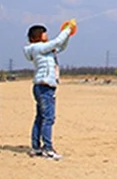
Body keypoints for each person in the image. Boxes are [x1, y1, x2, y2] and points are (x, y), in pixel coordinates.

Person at [23, 19, 77, 160]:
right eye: (45, 34)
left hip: (42, 87)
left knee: (41, 118)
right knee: (48, 118)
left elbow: (61, 46)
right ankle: (47, 148)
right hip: (44, 87)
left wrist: (69, 33)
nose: (47, 36)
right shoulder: (38, 48)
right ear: (38, 36)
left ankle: (36, 148)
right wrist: (67, 28)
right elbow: (57, 42)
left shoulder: (45, 49)